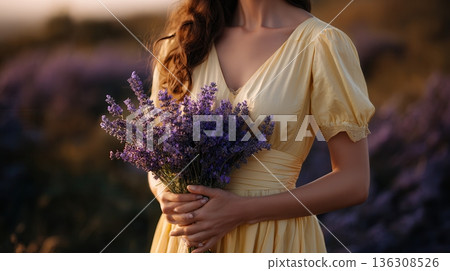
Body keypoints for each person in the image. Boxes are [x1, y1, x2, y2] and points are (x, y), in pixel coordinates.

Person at [148, 0, 375, 253]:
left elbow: (354, 181)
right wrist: (165, 195)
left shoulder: (322, 43)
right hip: (186, 237)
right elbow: (158, 155)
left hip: (274, 238)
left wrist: (241, 211)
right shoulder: (183, 43)